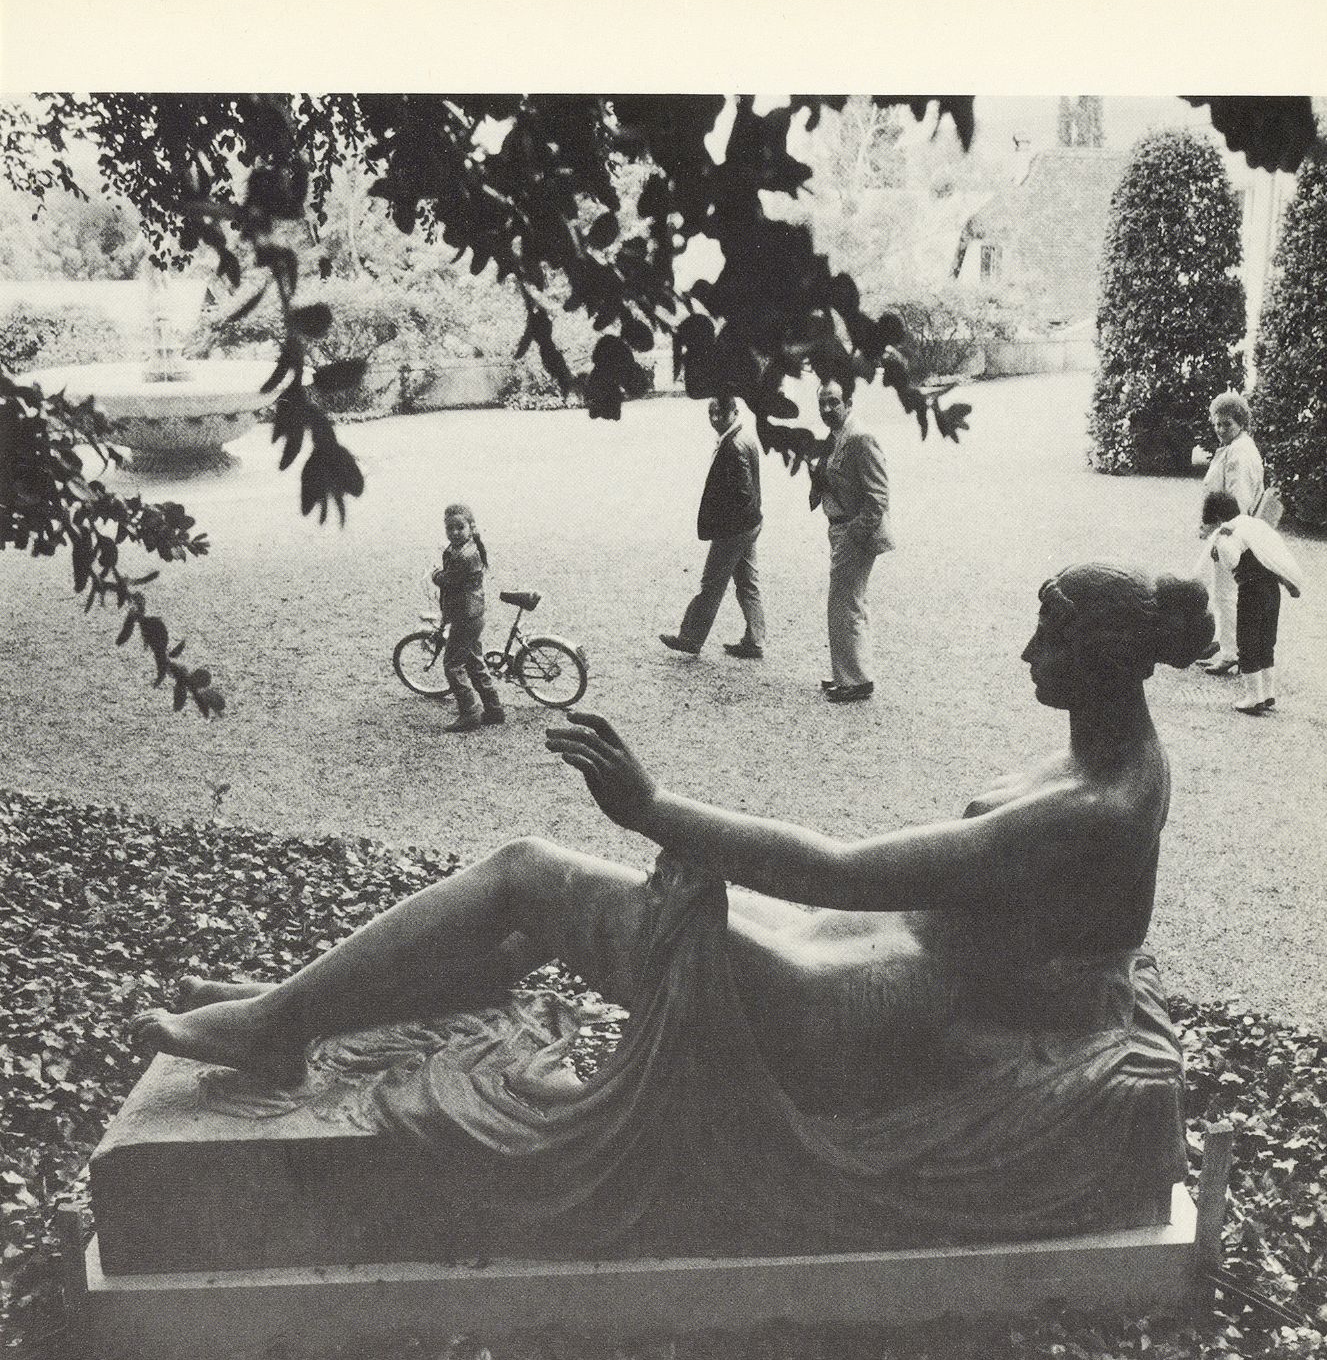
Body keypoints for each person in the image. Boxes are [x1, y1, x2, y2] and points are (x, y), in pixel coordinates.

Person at [131, 564, 1212, 1251]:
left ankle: (278, 1027)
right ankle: (305, 1006)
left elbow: (836, 867)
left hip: (863, 1010)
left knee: (525, 874)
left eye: (1050, 639)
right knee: (521, 922)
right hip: (880, 962)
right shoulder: (1104, 754)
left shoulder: (1094, 806)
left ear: (1105, 659)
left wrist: (653, 808)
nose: (1027, 654)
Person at [659, 395, 766, 660]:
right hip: (750, 523)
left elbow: (742, 493)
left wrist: (722, 525)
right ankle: (755, 639)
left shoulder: (734, 446)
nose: (715, 418)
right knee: (747, 582)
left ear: (734, 412)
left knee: (711, 583)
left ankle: (691, 638)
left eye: (721, 413)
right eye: (712, 413)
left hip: (735, 529)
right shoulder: (743, 438)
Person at [811, 377, 892, 703]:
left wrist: (853, 538)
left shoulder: (860, 437)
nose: (828, 409)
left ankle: (857, 681)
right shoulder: (837, 437)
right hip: (841, 529)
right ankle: (849, 673)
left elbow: (878, 496)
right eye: (822, 403)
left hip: (855, 532)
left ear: (849, 403)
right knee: (846, 602)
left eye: (834, 402)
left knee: (845, 603)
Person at [1200, 492, 1305, 714]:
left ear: (1218, 516)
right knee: (1266, 642)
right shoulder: (1255, 524)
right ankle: (1268, 694)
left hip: (1251, 590)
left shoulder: (1229, 531)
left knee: (1247, 641)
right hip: (1272, 590)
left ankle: (1252, 697)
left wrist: (1219, 540)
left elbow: (1231, 561)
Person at [1193, 391, 1265, 678]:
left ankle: (1230, 653)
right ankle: (1221, 642)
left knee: (1224, 593)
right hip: (1222, 528)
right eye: (1217, 424)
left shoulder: (1241, 454)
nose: (1221, 430)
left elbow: (1239, 503)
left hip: (1232, 532)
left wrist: (1221, 535)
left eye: (1228, 424)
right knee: (1202, 583)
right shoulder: (1231, 447)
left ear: (1241, 423)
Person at [431, 503, 504, 734]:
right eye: (449, 528)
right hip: (473, 614)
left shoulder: (464, 555)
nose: (454, 532)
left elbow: (448, 580)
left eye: (459, 527)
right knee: (473, 661)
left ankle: (470, 712)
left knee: (453, 665)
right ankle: (493, 708)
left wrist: (435, 575)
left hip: (465, 616)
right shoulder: (467, 548)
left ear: (470, 527)